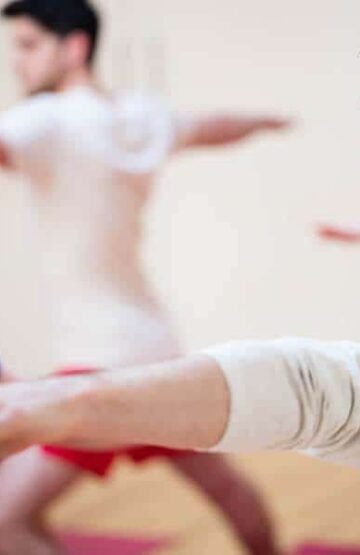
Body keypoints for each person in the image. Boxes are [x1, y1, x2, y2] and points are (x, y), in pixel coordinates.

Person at [0, 0, 291, 553]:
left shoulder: (45, 120)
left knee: (5, 520)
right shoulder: (139, 116)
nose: (18, 62)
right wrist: (268, 121)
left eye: (29, 45)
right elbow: (211, 126)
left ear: (75, 47)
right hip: (154, 350)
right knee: (226, 489)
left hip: (96, 362)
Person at [0, 337, 359, 469]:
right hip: (132, 356)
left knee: (12, 520)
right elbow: (322, 395)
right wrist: (66, 400)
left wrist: (68, 400)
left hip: (112, 357)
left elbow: (322, 395)